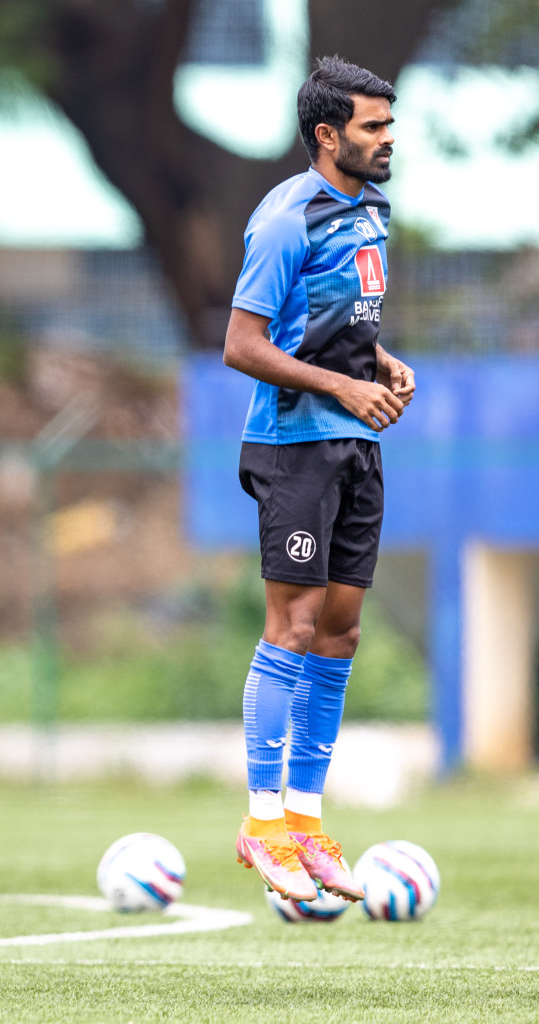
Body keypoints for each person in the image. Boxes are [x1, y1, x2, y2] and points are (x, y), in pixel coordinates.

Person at [223, 55, 415, 901]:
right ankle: (261, 825)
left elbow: (330, 322)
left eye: (389, 125)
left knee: (340, 633)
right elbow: (243, 344)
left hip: (356, 446)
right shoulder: (282, 219)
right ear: (328, 133)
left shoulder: (372, 210)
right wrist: (343, 386)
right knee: (293, 626)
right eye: (374, 127)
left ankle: (305, 823)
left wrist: (378, 360)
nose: (388, 140)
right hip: (295, 446)